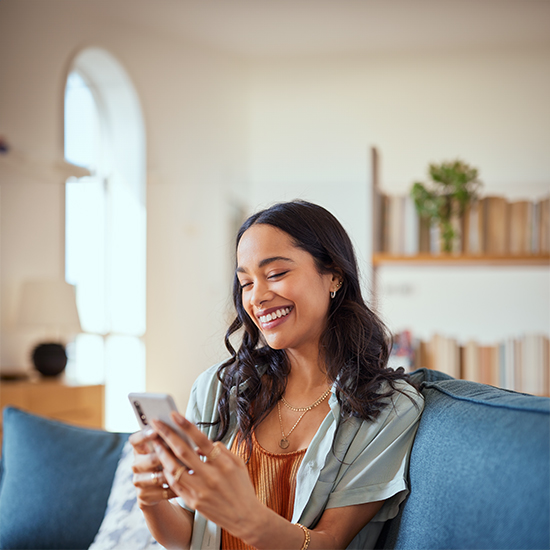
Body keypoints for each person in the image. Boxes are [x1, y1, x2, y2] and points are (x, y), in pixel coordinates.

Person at [130, 200, 424, 550]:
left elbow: (330, 543)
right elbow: (190, 537)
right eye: (246, 282)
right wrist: (151, 500)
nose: (258, 297)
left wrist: (246, 518)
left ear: (334, 275)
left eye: (276, 274)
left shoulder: (388, 407)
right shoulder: (218, 388)